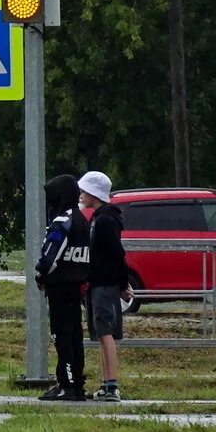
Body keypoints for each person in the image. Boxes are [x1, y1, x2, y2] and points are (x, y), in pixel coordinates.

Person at [35, 174, 90, 401]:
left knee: (61, 335)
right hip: (77, 285)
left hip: (60, 285)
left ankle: (65, 384)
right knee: (75, 334)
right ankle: (76, 382)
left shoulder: (61, 221)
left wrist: (40, 273)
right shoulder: (82, 219)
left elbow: (51, 254)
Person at [78, 170, 131, 402]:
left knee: (106, 332)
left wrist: (122, 283)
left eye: (84, 191)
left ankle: (112, 385)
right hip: (97, 284)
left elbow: (118, 254)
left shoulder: (105, 221)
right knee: (101, 333)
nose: (80, 194)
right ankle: (105, 383)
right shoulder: (98, 218)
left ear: (94, 193)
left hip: (105, 284)